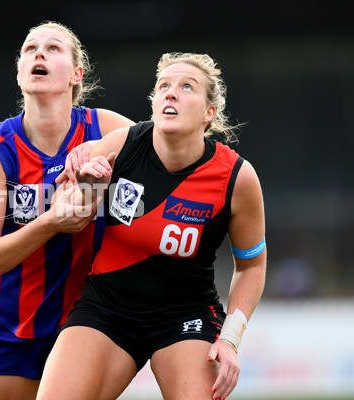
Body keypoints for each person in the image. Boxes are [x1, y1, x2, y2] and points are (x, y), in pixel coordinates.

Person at [36, 52, 267, 400]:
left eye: (186, 87)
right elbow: (65, 213)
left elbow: (252, 266)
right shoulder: (121, 146)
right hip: (106, 309)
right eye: (163, 86)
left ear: (209, 113)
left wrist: (230, 340)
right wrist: (84, 186)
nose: (170, 93)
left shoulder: (237, 177)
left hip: (185, 318)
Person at [0, 20, 134, 400]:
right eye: (29, 49)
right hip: (9, 330)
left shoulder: (105, 129)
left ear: (77, 74)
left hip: (89, 325)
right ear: (20, 71)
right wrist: (51, 222)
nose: (38, 53)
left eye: (53, 48)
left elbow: (168, 153)